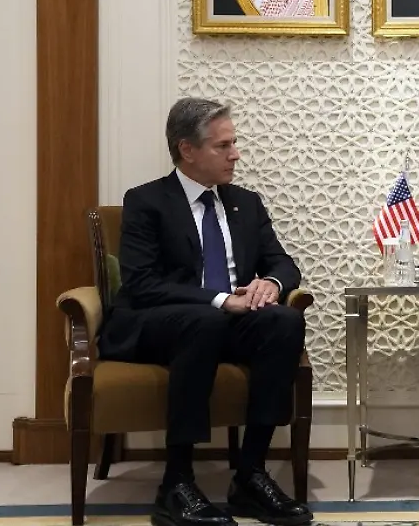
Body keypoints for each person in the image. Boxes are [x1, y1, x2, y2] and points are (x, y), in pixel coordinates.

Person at [98, 97, 312, 526]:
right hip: (160, 322)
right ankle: (176, 484)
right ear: (187, 149)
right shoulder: (147, 201)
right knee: (205, 320)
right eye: (223, 146)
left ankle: (250, 475)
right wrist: (220, 299)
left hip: (222, 323)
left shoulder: (246, 203)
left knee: (284, 320)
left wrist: (270, 284)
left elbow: (283, 264)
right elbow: (142, 283)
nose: (236, 154)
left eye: (234, 143)